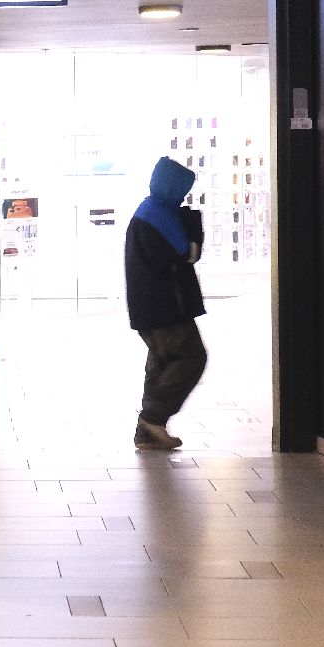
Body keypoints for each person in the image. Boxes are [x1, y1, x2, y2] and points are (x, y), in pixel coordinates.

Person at [124, 156, 207, 450]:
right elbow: (188, 253)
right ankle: (152, 419)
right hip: (166, 307)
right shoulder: (160, 213)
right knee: (191, 357)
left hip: (148, 307)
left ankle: (147, 433)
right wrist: (193, 226)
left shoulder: (146, 209)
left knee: (161, 363)